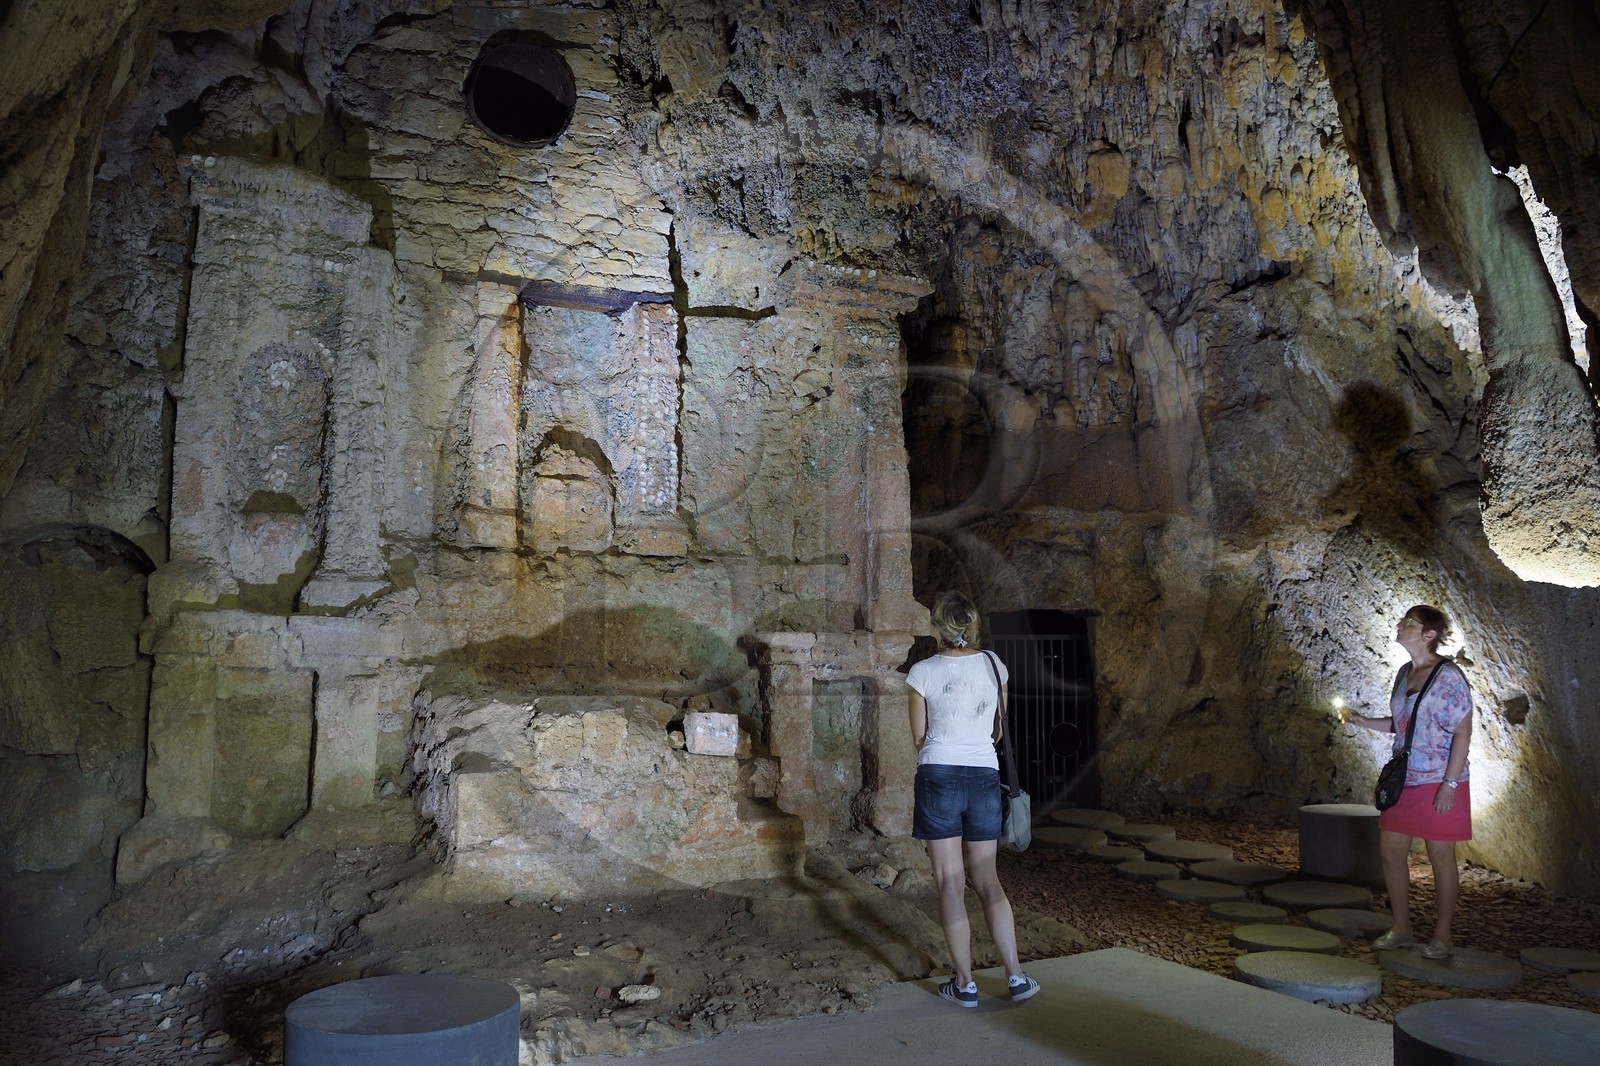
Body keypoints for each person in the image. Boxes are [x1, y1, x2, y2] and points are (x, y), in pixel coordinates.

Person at [906, 590, 1039, 1007]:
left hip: (938, 774)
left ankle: (964, 984)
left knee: (949, 882)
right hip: (984, 775)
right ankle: (1015, 977)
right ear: (972, 624)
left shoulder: (921, 673)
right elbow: (999, 730)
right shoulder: (993, 665)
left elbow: (918, 737)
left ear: (938, 628)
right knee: (988, 879)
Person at [1340, 604, 1473, 959]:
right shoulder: (1404, 673)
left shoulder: (1448, 677)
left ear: (1429, 635)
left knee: (1441, 856)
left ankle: (1442, 936)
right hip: (1405, 778)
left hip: (1439, 779)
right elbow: (1403, 726)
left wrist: (1450, 784)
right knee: (1391, 851)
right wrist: (1362, 721)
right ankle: (1401, 927)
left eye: (1409, 623)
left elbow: (1463, 732)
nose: (1400, 626)